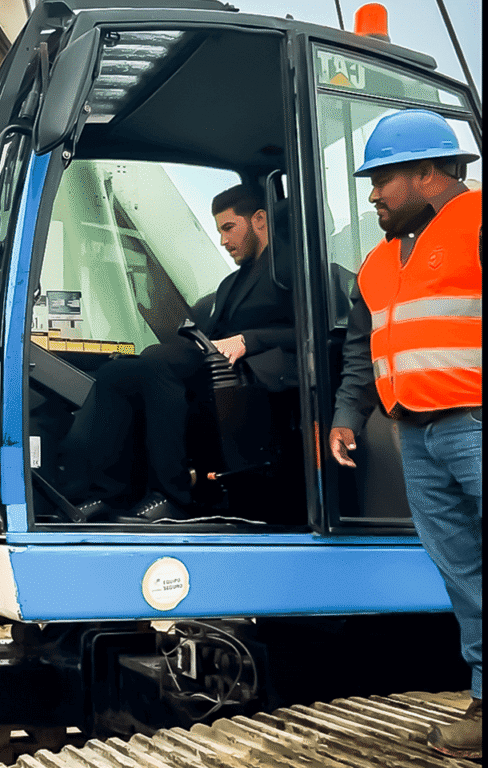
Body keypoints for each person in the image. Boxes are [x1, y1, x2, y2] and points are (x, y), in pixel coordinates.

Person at [328, 109, 481, 760]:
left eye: (381, 179)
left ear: (427, 173)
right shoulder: (377, 264)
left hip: (474, 422)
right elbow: (364, 354)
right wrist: (345, 414)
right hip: (417, 435)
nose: (372, 195)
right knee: (463, 572)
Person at [60, 184, 296, 522]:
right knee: (119, 371)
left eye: (229, 228)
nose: (223, 241)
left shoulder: (292, 270)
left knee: (156, 367)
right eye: (219, 231)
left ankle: (173, 497)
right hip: (218, 365)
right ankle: (107, 494)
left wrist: (249, 340)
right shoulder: (231, 284)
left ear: (259, 220)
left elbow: (314, 329)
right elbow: (213, 334)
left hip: (262, 372)